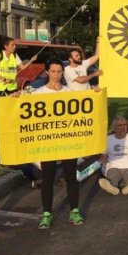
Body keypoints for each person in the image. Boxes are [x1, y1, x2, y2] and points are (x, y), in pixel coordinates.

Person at [32, 59, 83, 229]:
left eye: (59, 71)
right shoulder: (38, 93)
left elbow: (82, 113)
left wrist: (96, 94)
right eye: (53, 71)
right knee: (48, 178)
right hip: (48, 143)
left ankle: (74, 211)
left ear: (63, 72)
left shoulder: (69, 92)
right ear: (47, 72)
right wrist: (16, 98)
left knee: (71, 177)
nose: (56, 75)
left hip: (67, 141)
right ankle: (47, 214)